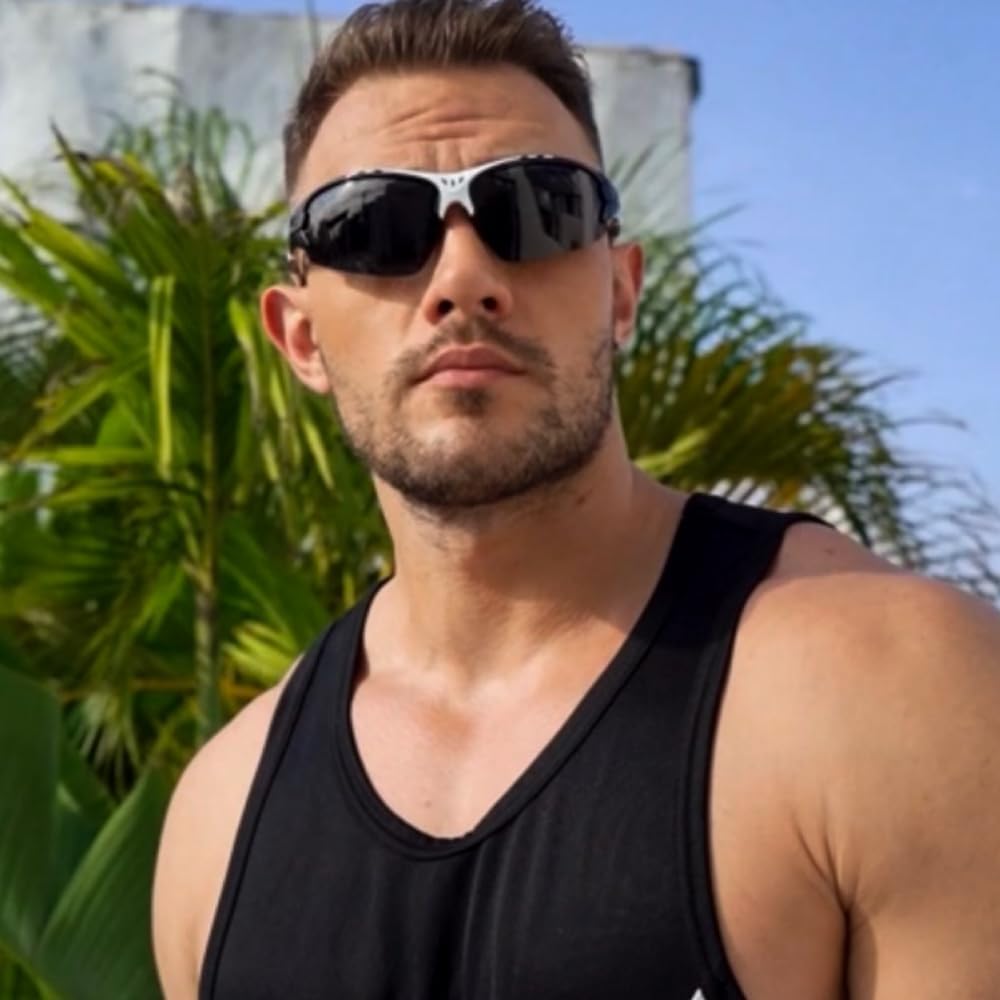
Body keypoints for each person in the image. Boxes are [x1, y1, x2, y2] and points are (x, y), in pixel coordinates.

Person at [151, 1, 1000, 997]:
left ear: (621, 292)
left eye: (535, 208)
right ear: (299, 337)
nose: (464, 277)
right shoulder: (218, 822)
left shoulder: (891, 691)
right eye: (373, 225)